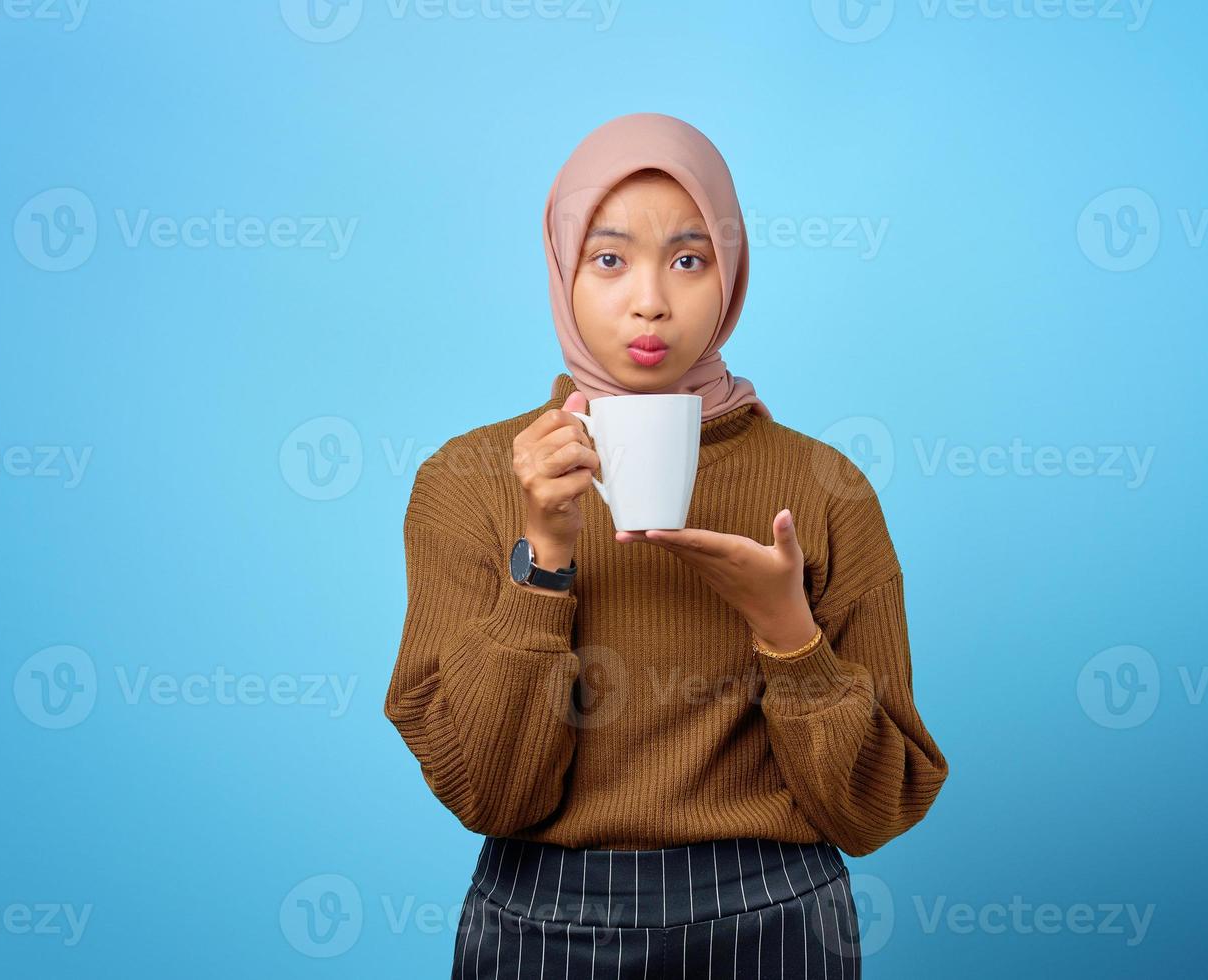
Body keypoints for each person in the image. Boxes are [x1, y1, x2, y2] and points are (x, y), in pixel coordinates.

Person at [384, 111, 948, 978]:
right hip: (542, 924)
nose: (651, 298)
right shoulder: (467, 480)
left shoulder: (824, 487)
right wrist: (542, 555)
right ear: (562, 268)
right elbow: (490, 794)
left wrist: (788, 632)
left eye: (689, 259)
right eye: (609, 259)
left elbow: (875, 809)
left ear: (734, 272)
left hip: (775, 922)